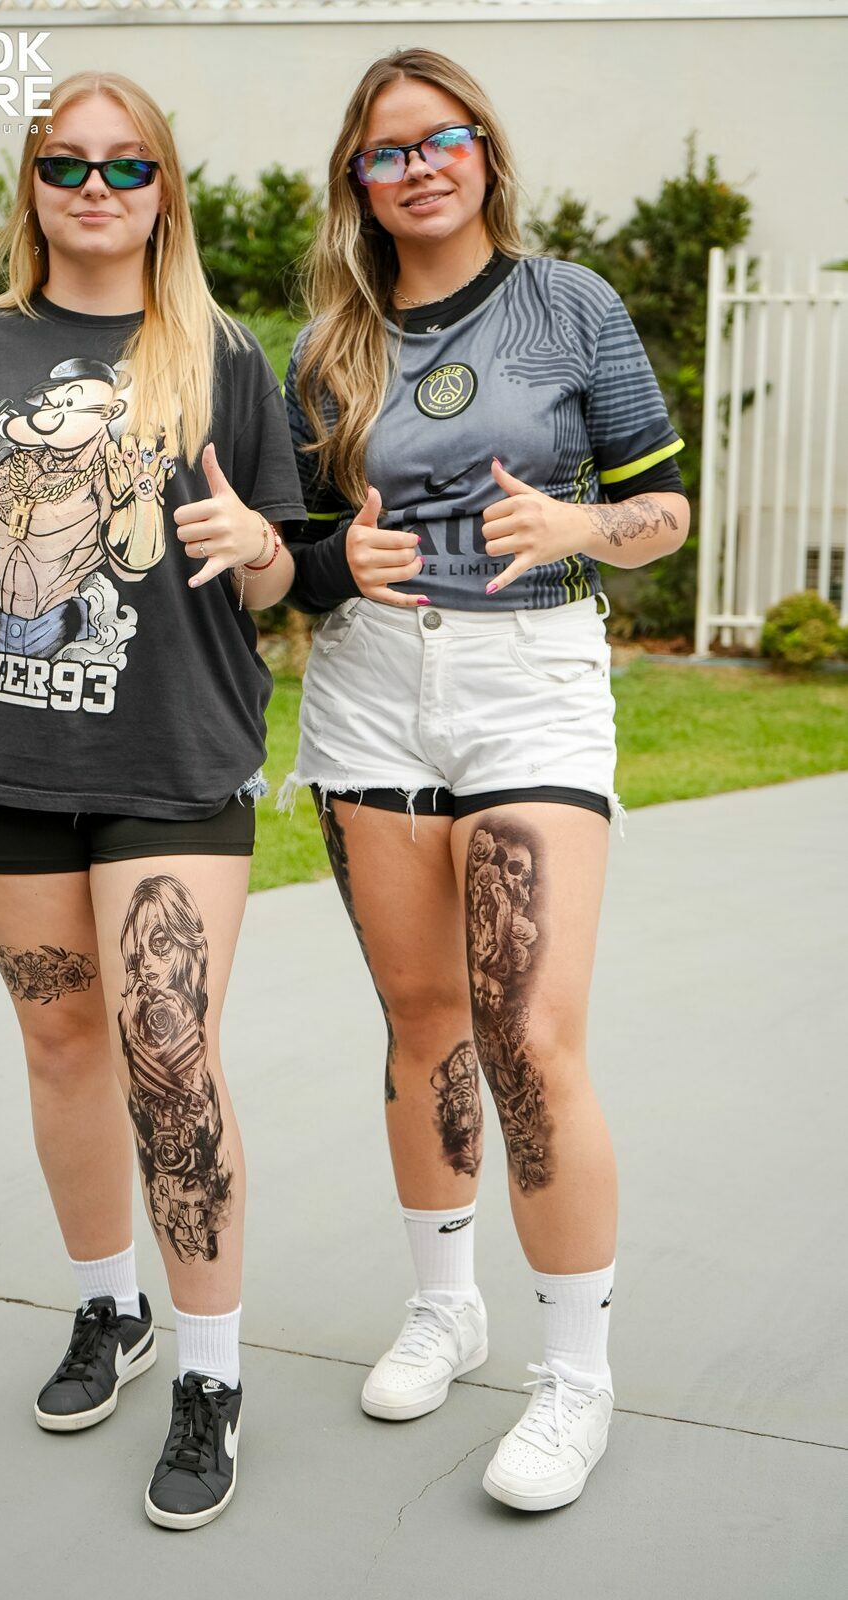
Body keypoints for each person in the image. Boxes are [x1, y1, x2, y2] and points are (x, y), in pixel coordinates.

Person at [0, 71, 303, 1531]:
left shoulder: (221, 355)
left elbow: (277, 576)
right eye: (68, 164)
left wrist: (256, 544)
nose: (96, 189)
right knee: (62, 1045)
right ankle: (109, 1308)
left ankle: (213, 1374)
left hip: (174, 756)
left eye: (127, 167)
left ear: (164, 188)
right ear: (33, 184)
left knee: (167, 1051)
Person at [282, 47, 688, 1513]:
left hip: (531, 682)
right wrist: (335, 560)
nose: (419, 167)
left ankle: (575, 1376)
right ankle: (445, 1307)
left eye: (440, 139)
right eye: (387, 151)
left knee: (529, 1037)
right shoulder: (325, 349)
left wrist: (582, 531)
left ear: (484, 152)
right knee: (423, 1020)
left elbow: (663, 508)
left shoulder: (570, 302)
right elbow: (293, 555)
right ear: (358, 181)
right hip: (371, 691)